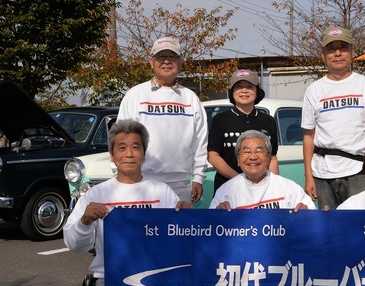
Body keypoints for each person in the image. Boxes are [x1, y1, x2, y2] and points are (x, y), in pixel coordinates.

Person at [63, 119, 192, 286]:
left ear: (143, 154)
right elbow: (73, 244)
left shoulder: (161, 192)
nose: (129, 154)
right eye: (122, 148)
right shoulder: (97, 194)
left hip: (158, 278)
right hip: (111, 279)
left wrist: (187, 219)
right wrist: (84, 221)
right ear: (112, 155)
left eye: (136, 147)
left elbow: (180, 241)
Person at [301, 26, 365, 209]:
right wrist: (308, 176)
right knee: (331, 230)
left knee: (359, 228)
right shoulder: (314, 90)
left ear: (352, 52)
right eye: (331, 49)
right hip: (323, 174)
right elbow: (309, 136)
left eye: (343, 47)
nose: (337, 53)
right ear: (323, 55)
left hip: (359, 172)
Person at [118, 36, 208, 204]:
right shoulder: (135, 95)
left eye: (172, 56)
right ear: (151, 62)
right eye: (161, 56)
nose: (166, 61)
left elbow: (200, 142)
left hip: (181, 186)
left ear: (181, 62)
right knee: (143, 230)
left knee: (180, 230)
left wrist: (199, 177)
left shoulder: (191, 98)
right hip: (142, 183)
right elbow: (120, 140)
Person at [207, 69, 279, 195]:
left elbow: (272, 157)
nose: (244, 91)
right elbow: (213, 156)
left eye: (249, 87)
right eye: (239, 87)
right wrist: (240, 180)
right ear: (232, 92)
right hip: (228, 187)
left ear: (257, 92)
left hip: (262, 189)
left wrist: (274, 186)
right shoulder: (220, 119)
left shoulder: (268, 121)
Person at [210, 130, 315, 211]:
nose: (253, 157)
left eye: (259, 151)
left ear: (269, 158)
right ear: (238, 160)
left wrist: (307, 214)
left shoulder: (290, 189)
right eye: (246, 151)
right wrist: (218, 215)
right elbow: (210, 228)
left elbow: (313, 219)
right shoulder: (225, 192)